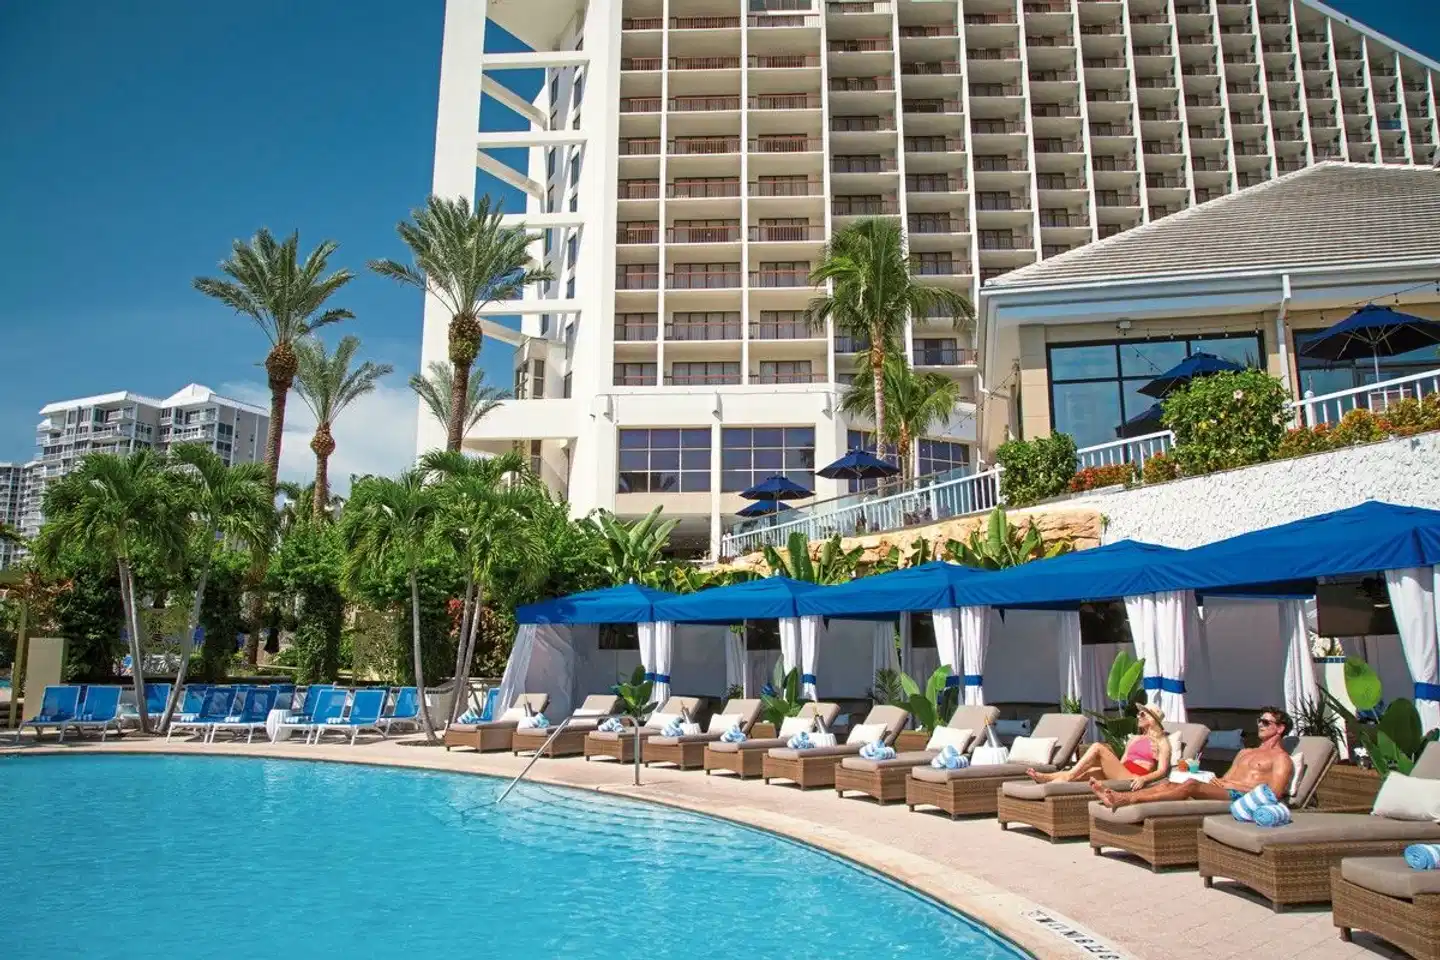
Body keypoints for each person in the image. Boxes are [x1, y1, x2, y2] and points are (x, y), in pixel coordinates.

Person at [1092, 706, 1295, 809]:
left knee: (1191, 784)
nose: (1260, 724)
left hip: (1243, 797)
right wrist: (1220, 782)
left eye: (1266, 722)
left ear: (1280, 728)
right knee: (1168, 784)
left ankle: (1125, 799)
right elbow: (1227, 777)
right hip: (1225, 789)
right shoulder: (1245, 752)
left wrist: (1232, 786)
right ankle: (1126, 799)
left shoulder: (1281, 759)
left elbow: (1274, 795)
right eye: (1260, 721)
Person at [1028, 703, 1172, 792]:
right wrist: (1107, 767)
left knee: (1098, 747)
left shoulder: (1162, 741)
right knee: (1086, 774)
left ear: (1152, 719)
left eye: (1142, 714)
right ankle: (1048, 782)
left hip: (1133, 777)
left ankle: (1065, 775)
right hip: (1122, 771)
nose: (1138, 716)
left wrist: (1144, 779)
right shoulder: (1134, 738)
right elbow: (1122, 761)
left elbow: (1162, 771)